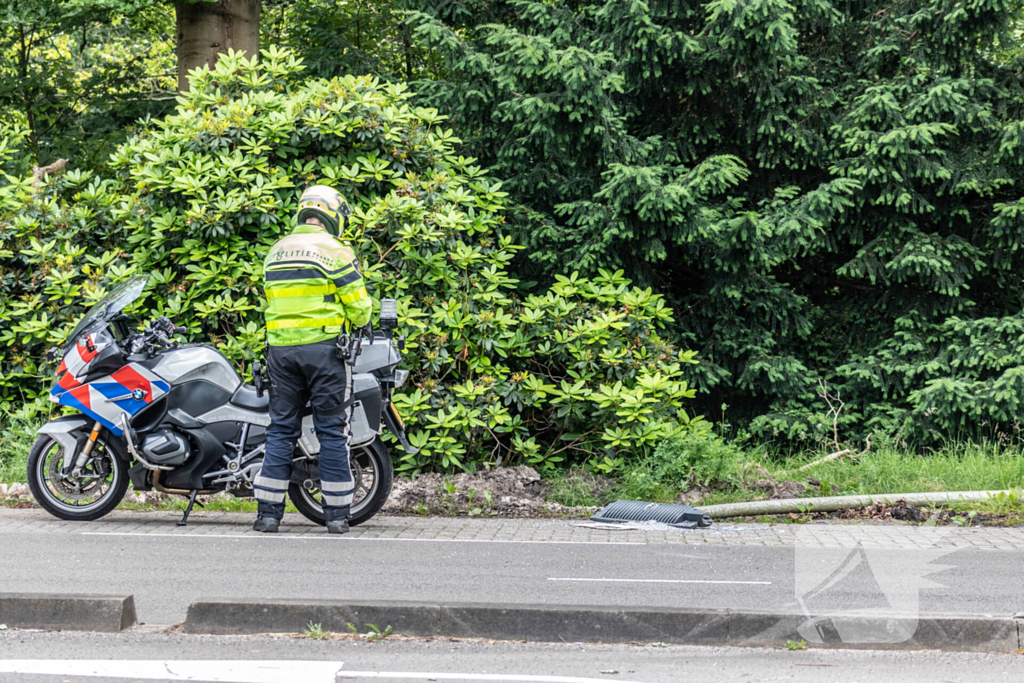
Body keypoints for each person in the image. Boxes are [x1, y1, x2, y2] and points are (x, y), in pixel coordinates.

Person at [252, 185, 372, 534]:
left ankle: (268, 515)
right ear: (335, 215)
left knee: (280, 429)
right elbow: (360, 306)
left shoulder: (276, 251)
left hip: (280, 352)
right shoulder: (336, 250)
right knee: (332, 431)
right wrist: (360, 320)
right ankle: (336, 517)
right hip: (324, 351)